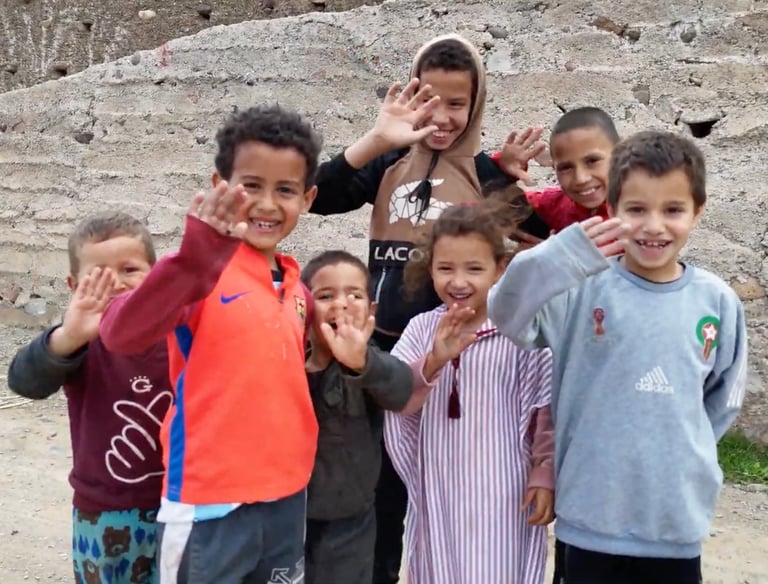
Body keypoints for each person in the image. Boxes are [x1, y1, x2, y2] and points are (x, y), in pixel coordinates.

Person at [310, 34, 549, 582]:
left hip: (449, 364)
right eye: (428, 100)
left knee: (440, 498)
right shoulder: (387, 160)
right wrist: (374, 140)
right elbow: (317, 195)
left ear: (476, 104)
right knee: (376, 503)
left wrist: (512, 178)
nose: (441, 117)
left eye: (457, 103)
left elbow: (542, 238)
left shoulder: (489, 176)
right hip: (376, 360)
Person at [488, 130, 748, 584]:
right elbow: (507, 314)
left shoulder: (717, 302)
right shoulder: (580, 288)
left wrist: (682, 453)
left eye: (672, 210)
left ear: (697, 211)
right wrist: (556, 257)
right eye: (636, 209)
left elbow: (722, 400)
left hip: (673, 525)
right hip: (589, 520)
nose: (654, 226)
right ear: (612, 208)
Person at [98, 104, 322, 584]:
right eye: (251, 186)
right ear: (220, 185)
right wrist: (192, 261)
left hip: (286, 497)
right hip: (209, 506)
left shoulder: (297, 288)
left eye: (285, 190)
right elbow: (120, 333)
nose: (267, 204)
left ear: (307, 198)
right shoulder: (197, 273)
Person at [384, 187, 555, 583]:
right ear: (430, 268)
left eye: (474, 269)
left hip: (506, 491)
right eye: (446, 268)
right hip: (440, 488)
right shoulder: (422, 329)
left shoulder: (522, 332)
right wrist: (435, 359)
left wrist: (544, 473)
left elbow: (545, 409)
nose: (458, 281)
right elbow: (394, 396)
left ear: (500, 268)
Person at [7, 211, 171, 584]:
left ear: (155, 275)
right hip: (103, 515)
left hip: (179, 506)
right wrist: (68, 336)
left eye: (129, 270)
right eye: (98, 275)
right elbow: (24, 381)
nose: (115, 283)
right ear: (73, 284)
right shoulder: (78, 343)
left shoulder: (179, 337)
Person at [301, 250, 414, 583]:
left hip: (351, 525)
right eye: (325, 296)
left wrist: (361, 362)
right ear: (303, 307)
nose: (342, 304)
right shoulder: (287, 363)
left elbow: (401, 390)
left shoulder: (371, 365)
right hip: (289, 518)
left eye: (355, 295)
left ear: (372, 311)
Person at [494, 107, 620, 241]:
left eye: (592, 161)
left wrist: (551, 251)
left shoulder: (632, 213)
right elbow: (498, 206)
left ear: (619, 154)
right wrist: (502, 169)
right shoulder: (557, 204)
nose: (580, 178)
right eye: (566, 168)